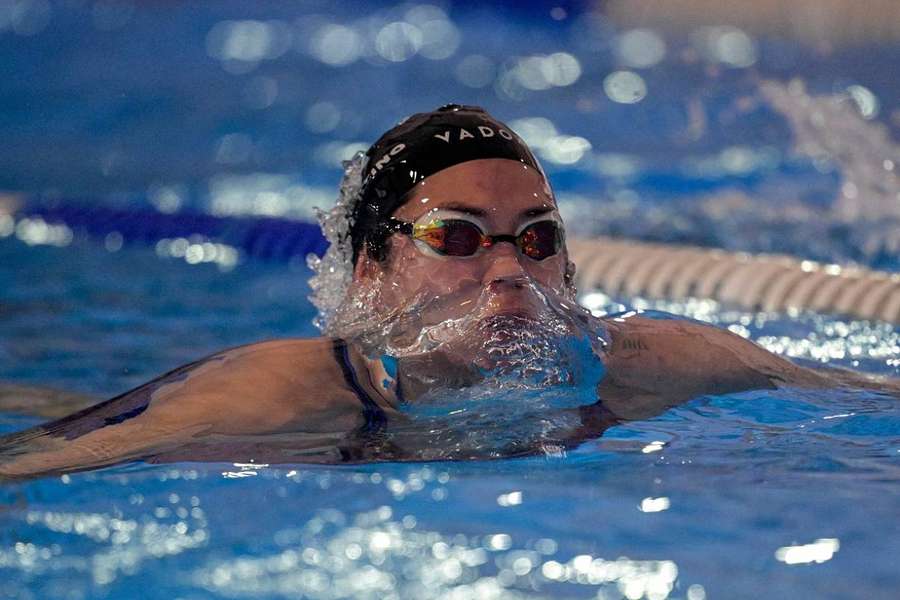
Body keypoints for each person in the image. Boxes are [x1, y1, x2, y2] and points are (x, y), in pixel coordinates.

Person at [0, 105, 895, 479]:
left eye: (537, 239)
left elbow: (872, 406)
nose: (509, 270)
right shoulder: (280, 394)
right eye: (455, 237)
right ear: (370, 274)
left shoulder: (667, 363)